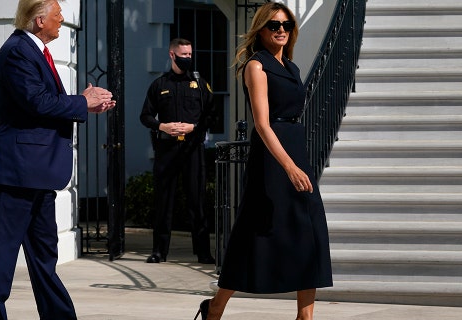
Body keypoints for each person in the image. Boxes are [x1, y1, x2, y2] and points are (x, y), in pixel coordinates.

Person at [0, 0, 116, 319]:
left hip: (37, 171)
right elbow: (37, 102)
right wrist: (82, 101)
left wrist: (85, 104)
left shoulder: (34, 51)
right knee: (3, 257)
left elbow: (45, 102)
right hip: (15, 173)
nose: (62, 19)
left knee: (43, 257)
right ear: (39, 21)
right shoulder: (17, 51)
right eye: (57, 15)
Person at [194, 2, 333, 320]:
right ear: (261, 29)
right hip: (271, 159)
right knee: (254, 234)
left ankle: (305, 316)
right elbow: (262, 123)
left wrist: (297, 162)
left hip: (296, 149)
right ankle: (215, 306)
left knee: (310, 233)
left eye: (286, 24)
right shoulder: (255, 66)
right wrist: (288, 166)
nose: (281, 29)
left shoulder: (292, 68)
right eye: (273, 25)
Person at [139, 38, 216, 264]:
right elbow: (145, 116)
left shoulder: (200, 84)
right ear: (172, 55)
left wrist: (194, 127)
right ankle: (159, 251)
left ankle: (203, 252)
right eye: (183, 55)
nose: (187, 59)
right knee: (164, 202)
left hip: (192, 149)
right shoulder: (160, 84)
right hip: (167, 149)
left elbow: (211, 114)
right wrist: (162, 126)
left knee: (197, 201)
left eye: (190, 54)